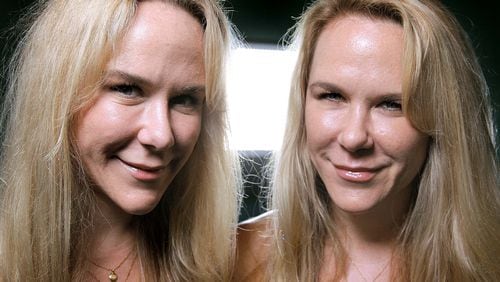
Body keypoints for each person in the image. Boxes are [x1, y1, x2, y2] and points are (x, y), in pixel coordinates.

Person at [234, 0, 499, 281]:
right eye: (332, 96)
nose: (353, 137)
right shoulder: (233, 258)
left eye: (391, 104)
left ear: (441, 120)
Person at [0, 0, 240, 281]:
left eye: (184, 99)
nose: (162, 136)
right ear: (57, 94)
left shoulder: (227, 263)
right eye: (128, 89)